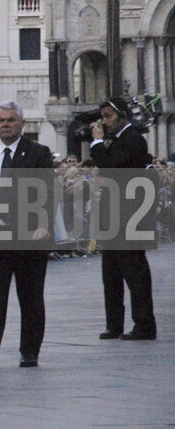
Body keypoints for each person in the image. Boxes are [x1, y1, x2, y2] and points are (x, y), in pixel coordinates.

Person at [0, 102, 54, 370]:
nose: (5, 125)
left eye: (10, 120)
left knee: (30, 297)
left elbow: (47, 191)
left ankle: (30, 350)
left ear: (22, 123)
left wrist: (44, 223)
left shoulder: (38, 153)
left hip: (29, 235)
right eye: (0, 120)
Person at [89, 97, 156, 341]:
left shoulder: (133, 139)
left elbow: (109, 166)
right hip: (114, 216)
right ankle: (114, 324)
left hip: (130, 216)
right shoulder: (118, 140)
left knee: (134, 272)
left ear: (123, 116)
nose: (104, 121)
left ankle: (145, 323)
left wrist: (96, 142)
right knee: (111, 274)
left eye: (108, 116)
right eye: (103, 117)